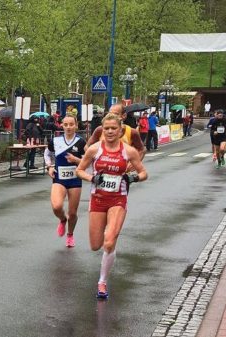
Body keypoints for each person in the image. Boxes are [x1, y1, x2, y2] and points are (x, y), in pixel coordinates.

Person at [75, 112, 147, 299]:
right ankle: (110, 249)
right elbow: (79, 170)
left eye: (113, 128)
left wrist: (132, 177)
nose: (109, 132)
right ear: (102, 130)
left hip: (118, 199)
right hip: (97, 199)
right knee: (95, 245)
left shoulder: (128, 151)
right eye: (106, 128)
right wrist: (92, 177)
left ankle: (102, 282)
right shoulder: (94, 149)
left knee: (109, 240)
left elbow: (143, 173)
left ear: (120, 130)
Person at [44, 115, 86, 247]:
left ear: (76, 126)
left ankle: (70, 235)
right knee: (56, 207)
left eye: (71, 124)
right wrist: (50, 166)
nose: (68, 127)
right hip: (59, 179)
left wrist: (77, 160)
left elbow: (88, 162)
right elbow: (47, 153)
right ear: (61, 125)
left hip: (75, 180)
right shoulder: (55, 141)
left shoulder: (81, 142)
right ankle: (62, 219)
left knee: (72, 213)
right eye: (66, 124)